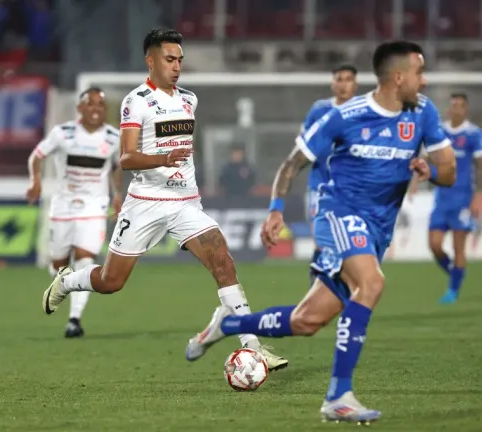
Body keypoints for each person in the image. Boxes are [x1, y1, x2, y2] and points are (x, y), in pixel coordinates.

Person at [185, 41, 456, 423]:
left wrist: (432, 171)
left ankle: (227, 325)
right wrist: (276, 210)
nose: (424, 80)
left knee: (306, 321)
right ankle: (338, 396)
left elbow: (450, 171)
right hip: (337, 214)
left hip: (378, 229)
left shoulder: (424, 112)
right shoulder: (344, 117)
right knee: (373, 284)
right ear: (398, 77)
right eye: (419, 72)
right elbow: (291, 165)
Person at [40, 28, 287, 371]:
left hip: (185, 202)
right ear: (151, 60)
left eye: (180, 60)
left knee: (222, 259)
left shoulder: (189, 99)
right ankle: (67, 281)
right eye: (170, 59)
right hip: (145, 201)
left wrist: (180, 167)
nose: (177, 66)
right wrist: (163, 160)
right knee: (112, 282)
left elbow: (183, 146)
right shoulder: (136, 101)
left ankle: (254, 346)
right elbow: (126, 158)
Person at [27, 87, 122, 338]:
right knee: (58, 265)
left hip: (94, 206)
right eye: (89, 104)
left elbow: (116, 167)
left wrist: (117, 194)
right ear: (80, 108)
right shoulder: (63, 133)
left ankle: (74, 320)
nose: (95, 109)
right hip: (64, 206)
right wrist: (35, 182)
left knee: (85, 258)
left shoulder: (114, 137)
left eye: (100, 105)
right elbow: (37, 156)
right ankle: (62, 283)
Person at [427, 93, 482, 304]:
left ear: (466, 110)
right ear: (449, 109)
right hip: (441, 198)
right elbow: (425, 157)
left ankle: (452, 291)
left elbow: (481, 167)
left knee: (458, 246)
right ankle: (455, 272)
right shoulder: (439, 132)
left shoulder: (474, 134)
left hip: (463, 197)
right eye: (453, 105)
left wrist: (477, 196)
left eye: (461, 106)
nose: (457, 109)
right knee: (434, 244)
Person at [301, 65, 358, 285]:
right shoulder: (320, 110)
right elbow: (304, 143)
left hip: (351, 189)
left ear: (355, 84)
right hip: (320, 186)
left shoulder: (363, 112)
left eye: (348, 79)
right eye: (339, 79)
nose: (343, 84)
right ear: (333, 84)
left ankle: (347, 288)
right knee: (321, 241)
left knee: (350, 244)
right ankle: (316, 289)